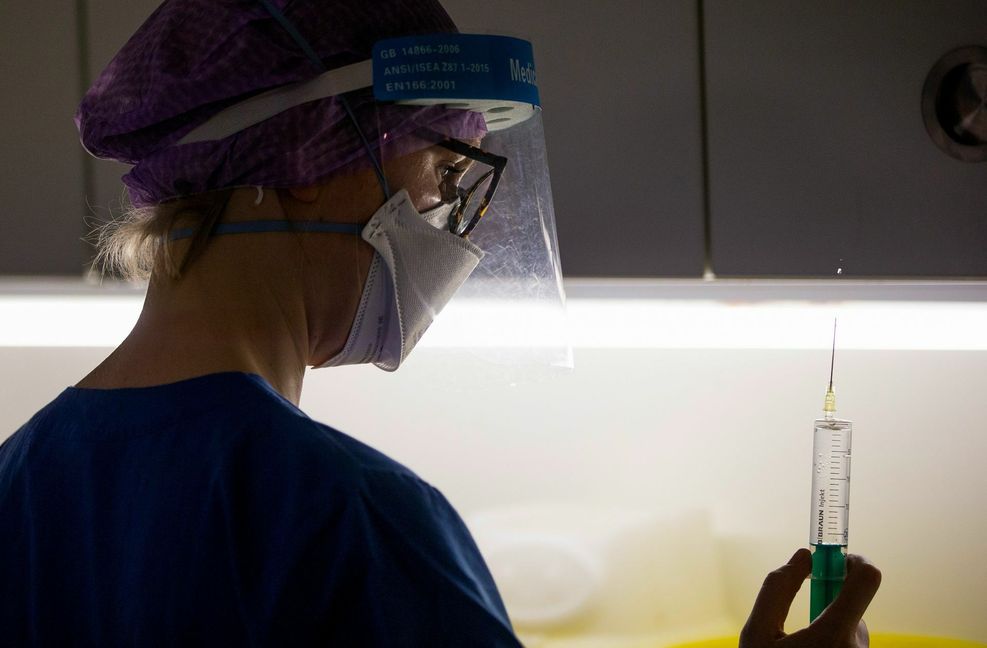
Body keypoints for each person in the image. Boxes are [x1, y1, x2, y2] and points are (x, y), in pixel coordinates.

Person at [0, 0, 880, 645]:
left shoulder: (19, 480)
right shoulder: (352, 521)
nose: (448, 222)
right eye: (439, 174)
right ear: (307, 161)